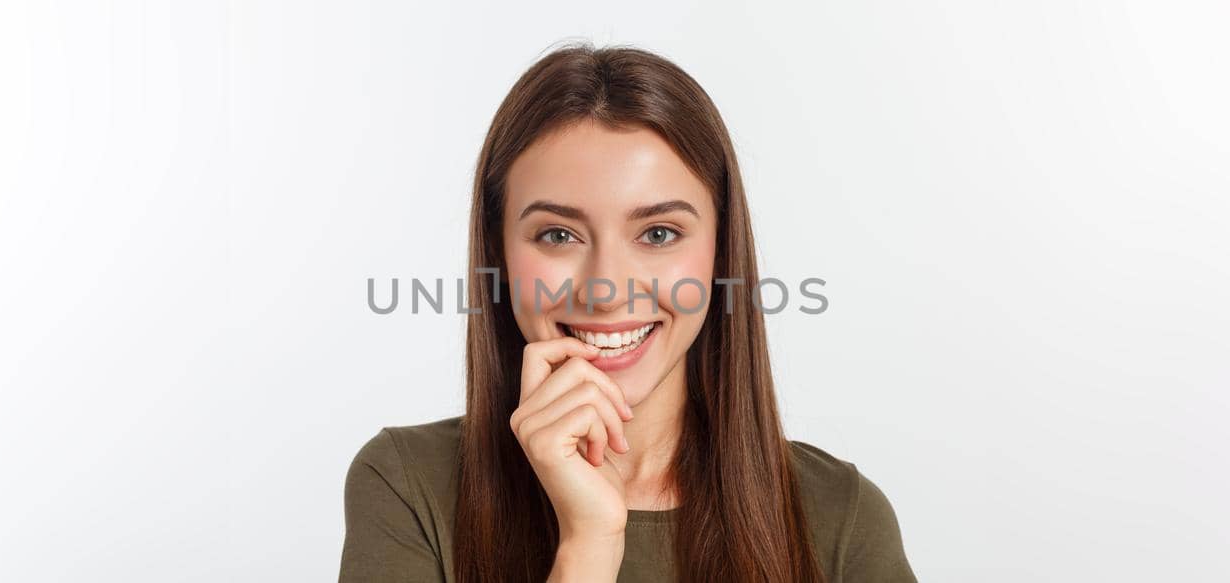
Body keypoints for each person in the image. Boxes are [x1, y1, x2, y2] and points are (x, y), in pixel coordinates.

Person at [340, 43, 916, 582]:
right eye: (558, 234)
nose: (607, 289)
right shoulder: (406, 486)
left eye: (659, 232)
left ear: (721, 250)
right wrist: (588, 544)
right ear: (498, 251)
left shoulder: (839, 514)